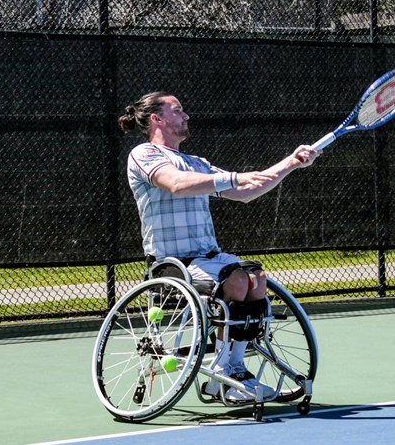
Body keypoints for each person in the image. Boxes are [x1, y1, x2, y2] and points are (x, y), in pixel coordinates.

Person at [119, 91, 321, 402]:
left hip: (210, 259)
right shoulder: (144, 155)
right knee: (238, 279)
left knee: (257, 278)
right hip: (172, 264)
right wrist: (234, 176)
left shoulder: (196, 162)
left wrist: (292, 163)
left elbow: (247, 191)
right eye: (178, 110)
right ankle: (226, 373)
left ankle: (231, 370)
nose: (186, 116)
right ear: (157, 119)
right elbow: (176, 183)